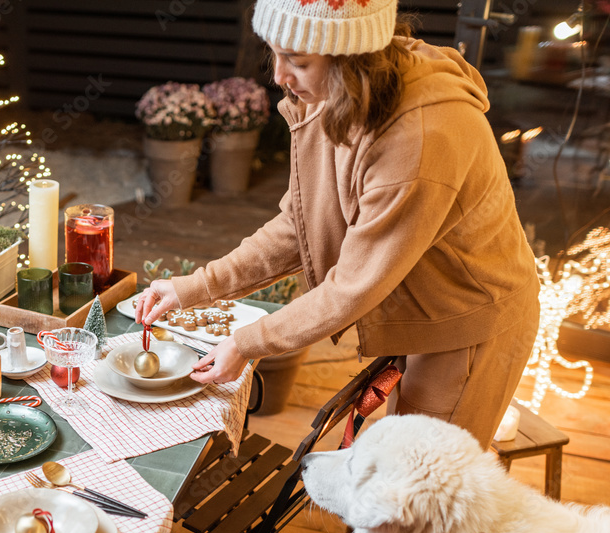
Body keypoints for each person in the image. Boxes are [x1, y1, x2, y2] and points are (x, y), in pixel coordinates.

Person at [135, 0, 541, 448]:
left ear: (351, 55)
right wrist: (193, 287)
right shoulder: (339, 92)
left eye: (298, 60)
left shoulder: (421, 138)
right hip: (424, 305)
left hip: (469, 319)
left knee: (417, 489)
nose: (279, 76)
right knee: (398, 475)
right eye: (276, 53)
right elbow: (298, 226)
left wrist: (247, 343)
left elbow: (353, 286)